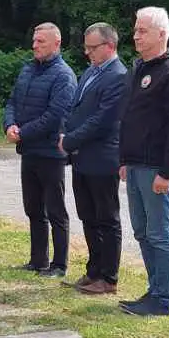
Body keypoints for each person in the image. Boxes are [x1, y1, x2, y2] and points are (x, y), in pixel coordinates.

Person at [117, 6, 169, 317]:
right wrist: (124, 159)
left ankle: (163, 299)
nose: (135, 36)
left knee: (159, 233)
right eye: (135, 30)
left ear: (161, 34)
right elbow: (129, 118)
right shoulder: (138, 70)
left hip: (155, 170)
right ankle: (154, 290)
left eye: (142, 31)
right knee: (142, 232)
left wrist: (167, 172)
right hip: (134, 165)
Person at [2, 23, 77, 276]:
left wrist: (23, 132)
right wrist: (9, 124)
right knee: (33, 208)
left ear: (57, 43)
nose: (35, 45)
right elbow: (12, 101)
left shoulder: (63, 76)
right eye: (34, 41)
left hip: (51, 153)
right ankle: (38, 260)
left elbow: (55, 116)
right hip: (29, 151)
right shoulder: (27, 70)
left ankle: (59, 264)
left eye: (41, 41)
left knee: (55, 210)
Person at [61, 23, 128, 295]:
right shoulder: (90, 72)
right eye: (86, 47)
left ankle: (109, 278)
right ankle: (94, 271)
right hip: (82, 157)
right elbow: (75, 109)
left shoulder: (119, 76)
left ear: (109, 46)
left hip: (103, 157)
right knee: (87, 215)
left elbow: (104, 120)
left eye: (92, 47)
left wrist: (71, 139)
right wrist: (66, 132)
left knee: (106, 218)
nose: (87, 52)